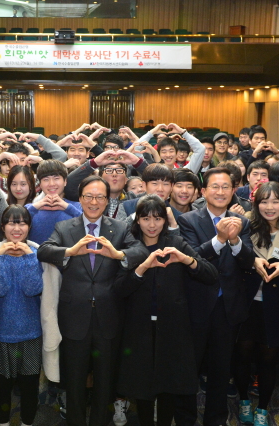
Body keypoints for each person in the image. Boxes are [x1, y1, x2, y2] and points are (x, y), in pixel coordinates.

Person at [38, 175, 149, 426]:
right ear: (80, 199)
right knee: (74, 382)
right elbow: (44, 250)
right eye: (89, 196)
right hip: (74, 318)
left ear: (108, 200)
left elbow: (141, 252)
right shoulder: (65, 228)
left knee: (104, 383)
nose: (94, 201)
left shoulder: (119, 228)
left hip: (108, 318)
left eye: (100, 196)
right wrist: (70, 251)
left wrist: (118, 253)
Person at [118, 195, 218, 426]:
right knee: (142, 386)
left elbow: (210, 274)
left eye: (157, 218)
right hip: (138, 328)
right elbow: (119, 289)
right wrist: (142, 268)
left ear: (165, 220)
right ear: (137, 221)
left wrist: (187, 260)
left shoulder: (176, 242)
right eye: (146, 218)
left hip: (173, 327)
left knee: (169, 386)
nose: (152, 225)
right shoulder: (130, 246)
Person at [178, 167, 255, 426]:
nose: (220, 192)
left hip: (227, 306)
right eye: (215, 187)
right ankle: (186, 418)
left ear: (234, 191)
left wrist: (235, 242)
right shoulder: (188, 220)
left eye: (226, 187)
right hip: (196, 304)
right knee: (190, 367)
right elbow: (193, 258)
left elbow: (248, 262)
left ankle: (216, 418)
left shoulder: (242, 221)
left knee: (221, 368)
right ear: (203, 192)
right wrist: (220, 239)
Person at [0, 205, 60, 426]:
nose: (17, 228)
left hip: (31, 333)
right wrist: (2, 257)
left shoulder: (38, 253)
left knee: (29, 387)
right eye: (12, 223)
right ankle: (3, 423)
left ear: (29, 226)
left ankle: (27, 423)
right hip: (1, 335)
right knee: (2, 388)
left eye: (22, 223)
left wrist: (27, 258)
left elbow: (32, 288)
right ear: (3, 227)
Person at [234, 182, 279, 426]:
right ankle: (243, 399)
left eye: (275, 201)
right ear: (256, 203)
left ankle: (263, 408)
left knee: (268, 360)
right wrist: (252, 261)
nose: (270, 207)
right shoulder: (246, 227)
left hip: (276, 306)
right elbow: (237, 258)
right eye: (264, 201)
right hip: (247, 303)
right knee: (242, 356)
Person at [26, 160, 82, 244]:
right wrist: (35, 207)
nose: (51, 184)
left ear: (65, 181)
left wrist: (67, 207)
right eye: (46, 179)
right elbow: (17, 223)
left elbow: (90, 226)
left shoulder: (78, 207)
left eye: (56, 178)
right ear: (40, 184)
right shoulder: (30, 208)